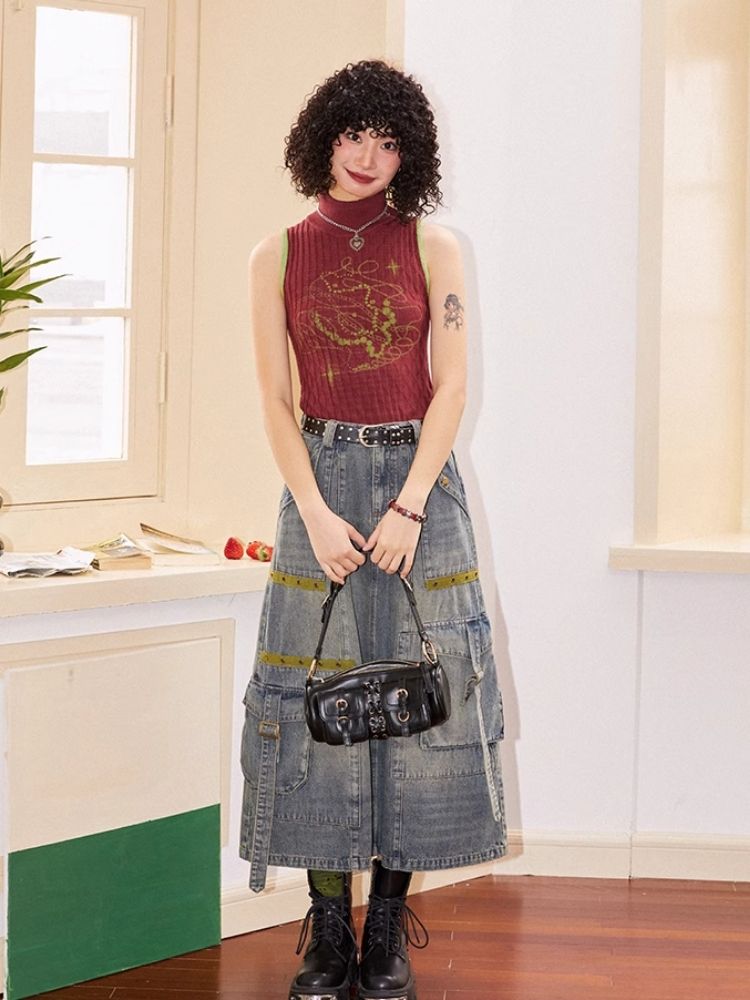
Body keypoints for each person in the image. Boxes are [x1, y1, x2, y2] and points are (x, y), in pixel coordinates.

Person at [239, 58, 507, 1000]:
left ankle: (386, 928)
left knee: (423, 700)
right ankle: (327, 931)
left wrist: (410, 503)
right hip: (318, 485)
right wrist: (315, 511)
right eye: (354, 134)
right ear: (324, 137)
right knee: (315, 705)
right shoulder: (276, 255)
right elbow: (275, 400)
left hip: (416, 488)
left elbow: (452, 388)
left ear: (410, 155)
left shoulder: (435, 247)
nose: (367, 156)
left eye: (388, 142)